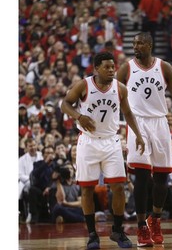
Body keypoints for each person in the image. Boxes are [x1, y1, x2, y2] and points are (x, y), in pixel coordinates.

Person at [116, 32, 172, 247]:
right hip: (137, 123)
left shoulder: (164, 67)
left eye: (140, 43)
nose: (136, 46)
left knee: (162, 177)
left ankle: (156, 220)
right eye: (134, 43)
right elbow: (112, 95)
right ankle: (142, 225)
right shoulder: (126, 68)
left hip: (160, 122)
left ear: (150, 45)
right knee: (141, 176)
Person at [61, 51, 145, 249]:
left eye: (113, 66)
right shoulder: (84, 85)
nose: (111, 70)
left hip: (111, 141)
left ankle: (117, 230)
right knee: (87, 189)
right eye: (106, 67)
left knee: (118, 187)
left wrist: (139, 136)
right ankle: (92, 234)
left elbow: (128, 113)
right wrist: (78, 116)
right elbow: (64, 104)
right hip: (88, 142)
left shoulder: (120, 88)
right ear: (96, 68)